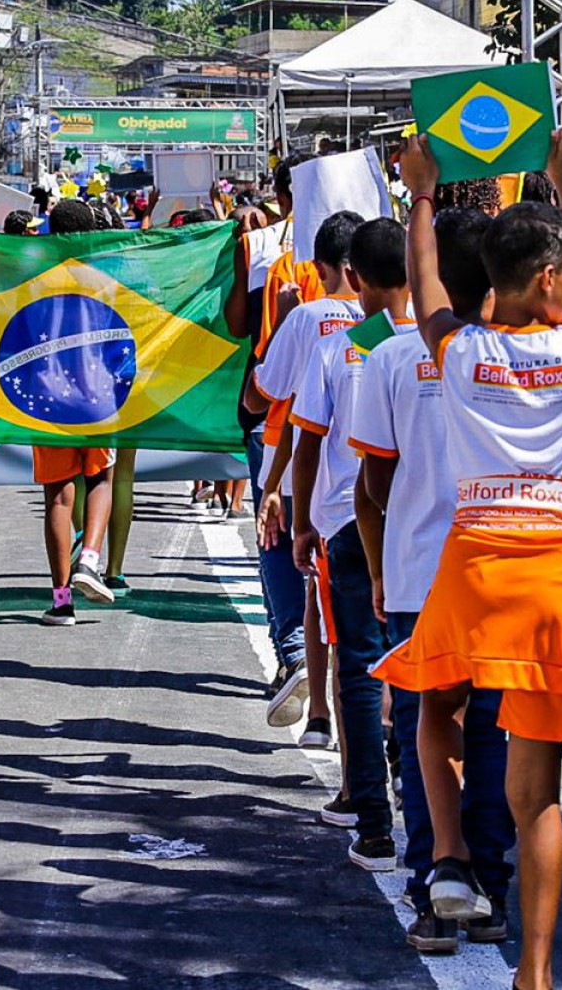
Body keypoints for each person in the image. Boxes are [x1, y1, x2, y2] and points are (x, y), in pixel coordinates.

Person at [379, 130, 562, 990]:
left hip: (475, 556)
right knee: (537, 794)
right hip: (553, 567)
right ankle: (537, 972)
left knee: (432, 708)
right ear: (551, 281)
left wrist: (421, 197)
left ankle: (446, 855)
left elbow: (428, 291)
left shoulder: (464, 354)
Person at [352, 206, 514, 951]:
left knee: (428, 734)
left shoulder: (388, 358)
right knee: (492, 734)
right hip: (505, 571)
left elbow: (374, 478)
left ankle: (434, 886)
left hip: (421, 572)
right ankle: (491, 884)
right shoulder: (531, 353)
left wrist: (393, 550)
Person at [288, 216, 414, 873]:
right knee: (422, 673)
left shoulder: (347, 347)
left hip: (350, 525)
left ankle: (373, 819)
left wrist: (301, 518)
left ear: (355, 278)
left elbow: (308, 438)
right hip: (426, 530)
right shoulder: (437, 345)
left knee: (359, 673)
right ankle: (423, 811)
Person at [251, 209, 365, 738]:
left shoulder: (305, 319)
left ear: (319, 267)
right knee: (353, 596)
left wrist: (272, 485)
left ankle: (303, 667)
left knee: (302, 573)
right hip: (371, 474)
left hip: (307, 468)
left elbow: (271, 395)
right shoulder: (394, 324)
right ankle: (339, 711)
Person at [32, 197, 119, 625]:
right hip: (98, 394)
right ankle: (90, 557)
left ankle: (62, 598)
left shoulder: (36, 281)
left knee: (58, 496)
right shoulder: (103, 279)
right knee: (101, 477)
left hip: (47, 399)